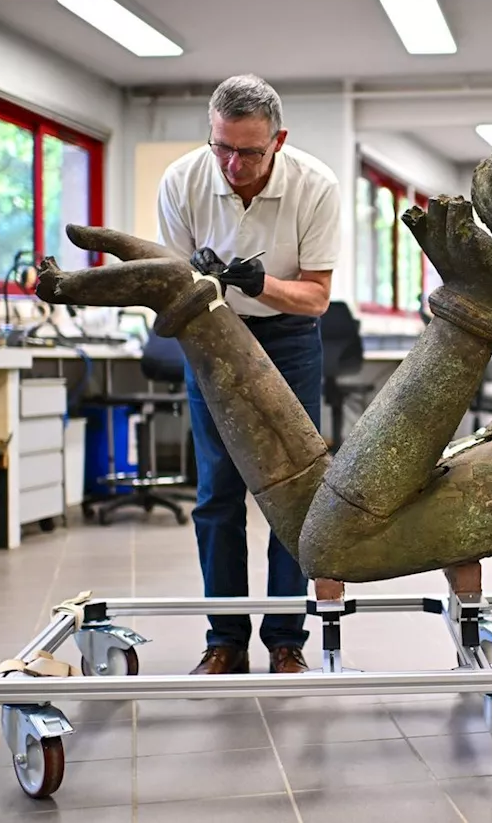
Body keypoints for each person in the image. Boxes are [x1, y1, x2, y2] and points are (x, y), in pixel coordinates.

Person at [155, 73, 340, 675]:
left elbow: (315, 299)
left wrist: (261, 284)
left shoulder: (316, 186)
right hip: (211, 337)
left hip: (289, 340)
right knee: (217, 493)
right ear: (211, 136)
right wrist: (200, 287)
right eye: (223, 147)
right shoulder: (182, 181)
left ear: (278, 140)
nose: (234, 164)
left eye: (250, 151)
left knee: (293, 493)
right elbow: (172, 286)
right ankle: (225, 639)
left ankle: (287, 640)